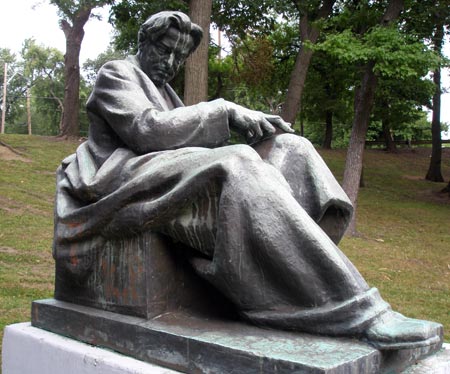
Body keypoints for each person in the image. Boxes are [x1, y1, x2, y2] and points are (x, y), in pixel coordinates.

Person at [53, 11, 442, 350]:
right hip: (119, 179)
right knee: (237, 161)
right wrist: (225, 111)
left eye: (179, 56)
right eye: (163, 49)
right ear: (144, 42)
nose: (170, 61)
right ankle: (357, 312)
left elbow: (177, 134)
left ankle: (295, 281)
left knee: (291, 148)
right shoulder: (117, 73)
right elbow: (147, 130)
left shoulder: (167, 91)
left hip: (161, 172)